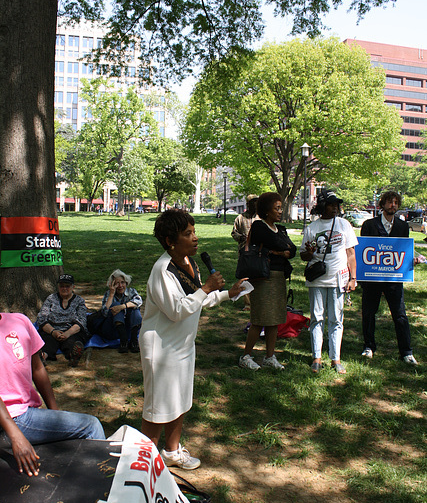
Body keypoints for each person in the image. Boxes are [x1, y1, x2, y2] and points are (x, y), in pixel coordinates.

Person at [139, 209, 245, 470]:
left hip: (183, 345)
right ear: (169, 241)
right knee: (158, 406)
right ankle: (143, 465)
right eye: (188, 234)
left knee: (180, 400)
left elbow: (197, 301)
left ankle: (172, 452)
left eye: (194, 232)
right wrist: (207, 287)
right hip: (162, 348)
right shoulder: (163, 271)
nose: (195, 238)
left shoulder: (188, 263)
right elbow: (177, 310)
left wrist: (227, 294)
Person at [0, 312, 105, 477]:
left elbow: (38, 368)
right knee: (91, 427)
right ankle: (101, 483)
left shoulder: (19, 320)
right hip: (12, 419)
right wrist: (16, 436)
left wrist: (55, 413)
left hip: (26, 413)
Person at [300, 189, 358, 374]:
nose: (335, 208)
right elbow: (303, 254)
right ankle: (316, 357)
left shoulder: (344, 225)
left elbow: (350, 254)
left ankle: (335, 358)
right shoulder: (312, 228)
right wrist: (308, 253)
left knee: (336, 319)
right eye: (331, 204)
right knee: (316, 318)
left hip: (338, 278)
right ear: (322, 206)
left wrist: (353, 277)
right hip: (317, 279)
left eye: (336, 205)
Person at [239, 192, 296, 371]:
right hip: (263, 278)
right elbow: (279, 243)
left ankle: (270, 356)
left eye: (281, 208)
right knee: (260, 318)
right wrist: (281, 250)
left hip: (279, 277)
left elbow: (292, 250)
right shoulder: (258, 226)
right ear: (266, 210)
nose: (280, 211)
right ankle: (245, 355)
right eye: (276, 208)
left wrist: (282, 250)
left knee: (275, 319)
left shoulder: (282, 228)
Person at [360, 190, 417, 364]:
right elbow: (363, 251)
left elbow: (403, 251)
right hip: (373, 278)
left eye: (396, 202)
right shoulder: (369, 225)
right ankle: (369, 346)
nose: (393, 205)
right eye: (390, 202)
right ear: (382, 204)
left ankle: (406, 351)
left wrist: (411, 260)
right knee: (369, 313)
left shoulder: (402, 226)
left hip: (394, 278)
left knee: (400, 315)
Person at [36, 274, 88, 367]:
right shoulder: (51, 298)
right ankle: (43, 357)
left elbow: (82, 321)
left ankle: (73, 356)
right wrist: (53, 331)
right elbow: (41, 318)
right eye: (61, 286)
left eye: (67, 286)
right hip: (52, 329)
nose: (64, 288)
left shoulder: (79, 301)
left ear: (73, 287)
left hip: (71, 330)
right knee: (49, 342)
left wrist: (67, 333)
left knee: (71, 342)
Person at [93, 269, 143, 354]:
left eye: (122, 282)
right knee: (115, 305)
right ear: (112, 284)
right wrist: (112, 294)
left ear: (126, 283)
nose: (120, 286)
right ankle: (123, 341)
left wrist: (122, 306)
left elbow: (139, 301)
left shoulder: (131, 291)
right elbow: (104, 313)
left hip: (128, 328)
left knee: (134, 307)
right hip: (112, 329)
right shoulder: (108, 294)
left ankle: (134, 341)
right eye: (117, 283)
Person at [231, 195, 259, 309]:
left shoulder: (261, 218)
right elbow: (234, 232)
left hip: (258, 252)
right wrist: (240, 237)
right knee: (245, 277)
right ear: (248, 205)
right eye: (252, 203)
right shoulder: (240, 218)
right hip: (244, 253)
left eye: (256, 203)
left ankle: (258, 301)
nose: (255, 205)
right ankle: (247, 304)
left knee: (258, 276)